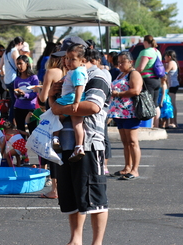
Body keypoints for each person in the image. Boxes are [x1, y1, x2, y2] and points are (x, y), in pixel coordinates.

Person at [49, 37, 111, 245]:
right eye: (65, 58)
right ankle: (75, 240)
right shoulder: (71, 76)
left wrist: (59, 109)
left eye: (68, 58)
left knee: (94, 197)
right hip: (67, 143)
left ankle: (97, 243)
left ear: (82, 57)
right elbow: (51, 105)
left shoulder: (97, 76)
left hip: (89, 144)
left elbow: (93, 106)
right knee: (72, 196)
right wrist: (52, 97)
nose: (65, 62)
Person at [108, 51, 142, 179]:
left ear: (130, 62)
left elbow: (136, 90)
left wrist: (118, 94)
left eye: (123, 62)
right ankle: (127, 167)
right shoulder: (121, 74)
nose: (120, 64)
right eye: (119, 62)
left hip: (131, 112)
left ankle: (135, 169)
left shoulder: (134, 74)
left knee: (133, 141)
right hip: (119, 113)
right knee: (125, 142)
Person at [36, 45, 64, 200]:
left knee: (52, 151)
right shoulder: (68, 71)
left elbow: (43, 97)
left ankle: (55, 189)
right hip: (67, 112)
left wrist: (37, 90)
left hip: (53, 112)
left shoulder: (51, 72)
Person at [52, 43, 88, 162]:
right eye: (67, 58)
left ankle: (55, 138)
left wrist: (76, 102)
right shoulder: (77, 70)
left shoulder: (77, 72)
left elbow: (79, 87)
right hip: (75, 100)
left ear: (82, 60)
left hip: (69, 100)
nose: (68, 61)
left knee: (56, 116)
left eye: (73, 59)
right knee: (77, 124)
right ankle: (79, 147)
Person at [135, 35, 161, 127]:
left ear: (146, 42)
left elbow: (141, 67)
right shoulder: (157, 51)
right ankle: (156, 125)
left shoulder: (145, 52)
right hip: (157, 80)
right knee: (155, 104)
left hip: (147, 80)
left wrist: (133, 72)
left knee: (147, 103)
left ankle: (149, 125)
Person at [0, 36, 24, 122]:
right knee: (16, 102)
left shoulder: (6, 52)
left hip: (7, 80)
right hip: (14, 79)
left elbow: (0, 66)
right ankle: (12, 120)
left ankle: (10, 120)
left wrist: (3, 74)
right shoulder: (15, 51)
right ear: (20, 43)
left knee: (13, 101)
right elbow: (19, 66)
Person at [13, 55, 39, 133]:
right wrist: (17, 94)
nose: (19, 66)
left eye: (20, 63)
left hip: (30, 108)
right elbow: (15, 94)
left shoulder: (33, 78)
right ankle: (22, 145)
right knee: (20, 130)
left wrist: (24, 94)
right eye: (17, 64)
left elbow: (35, 94)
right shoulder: (17, 79)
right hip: (18, 107)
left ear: (27, 64)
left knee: (32, 130)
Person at [164, 50, 179, 128]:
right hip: (173, 85)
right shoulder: (172, 62)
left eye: (165, 56)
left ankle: (174, 122)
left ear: (169, 57)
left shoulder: (171, 63)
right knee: (172, 103)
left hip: (172, 85)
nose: (164, 58)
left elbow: (165, 72)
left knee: (172, 104)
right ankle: (174, 122)